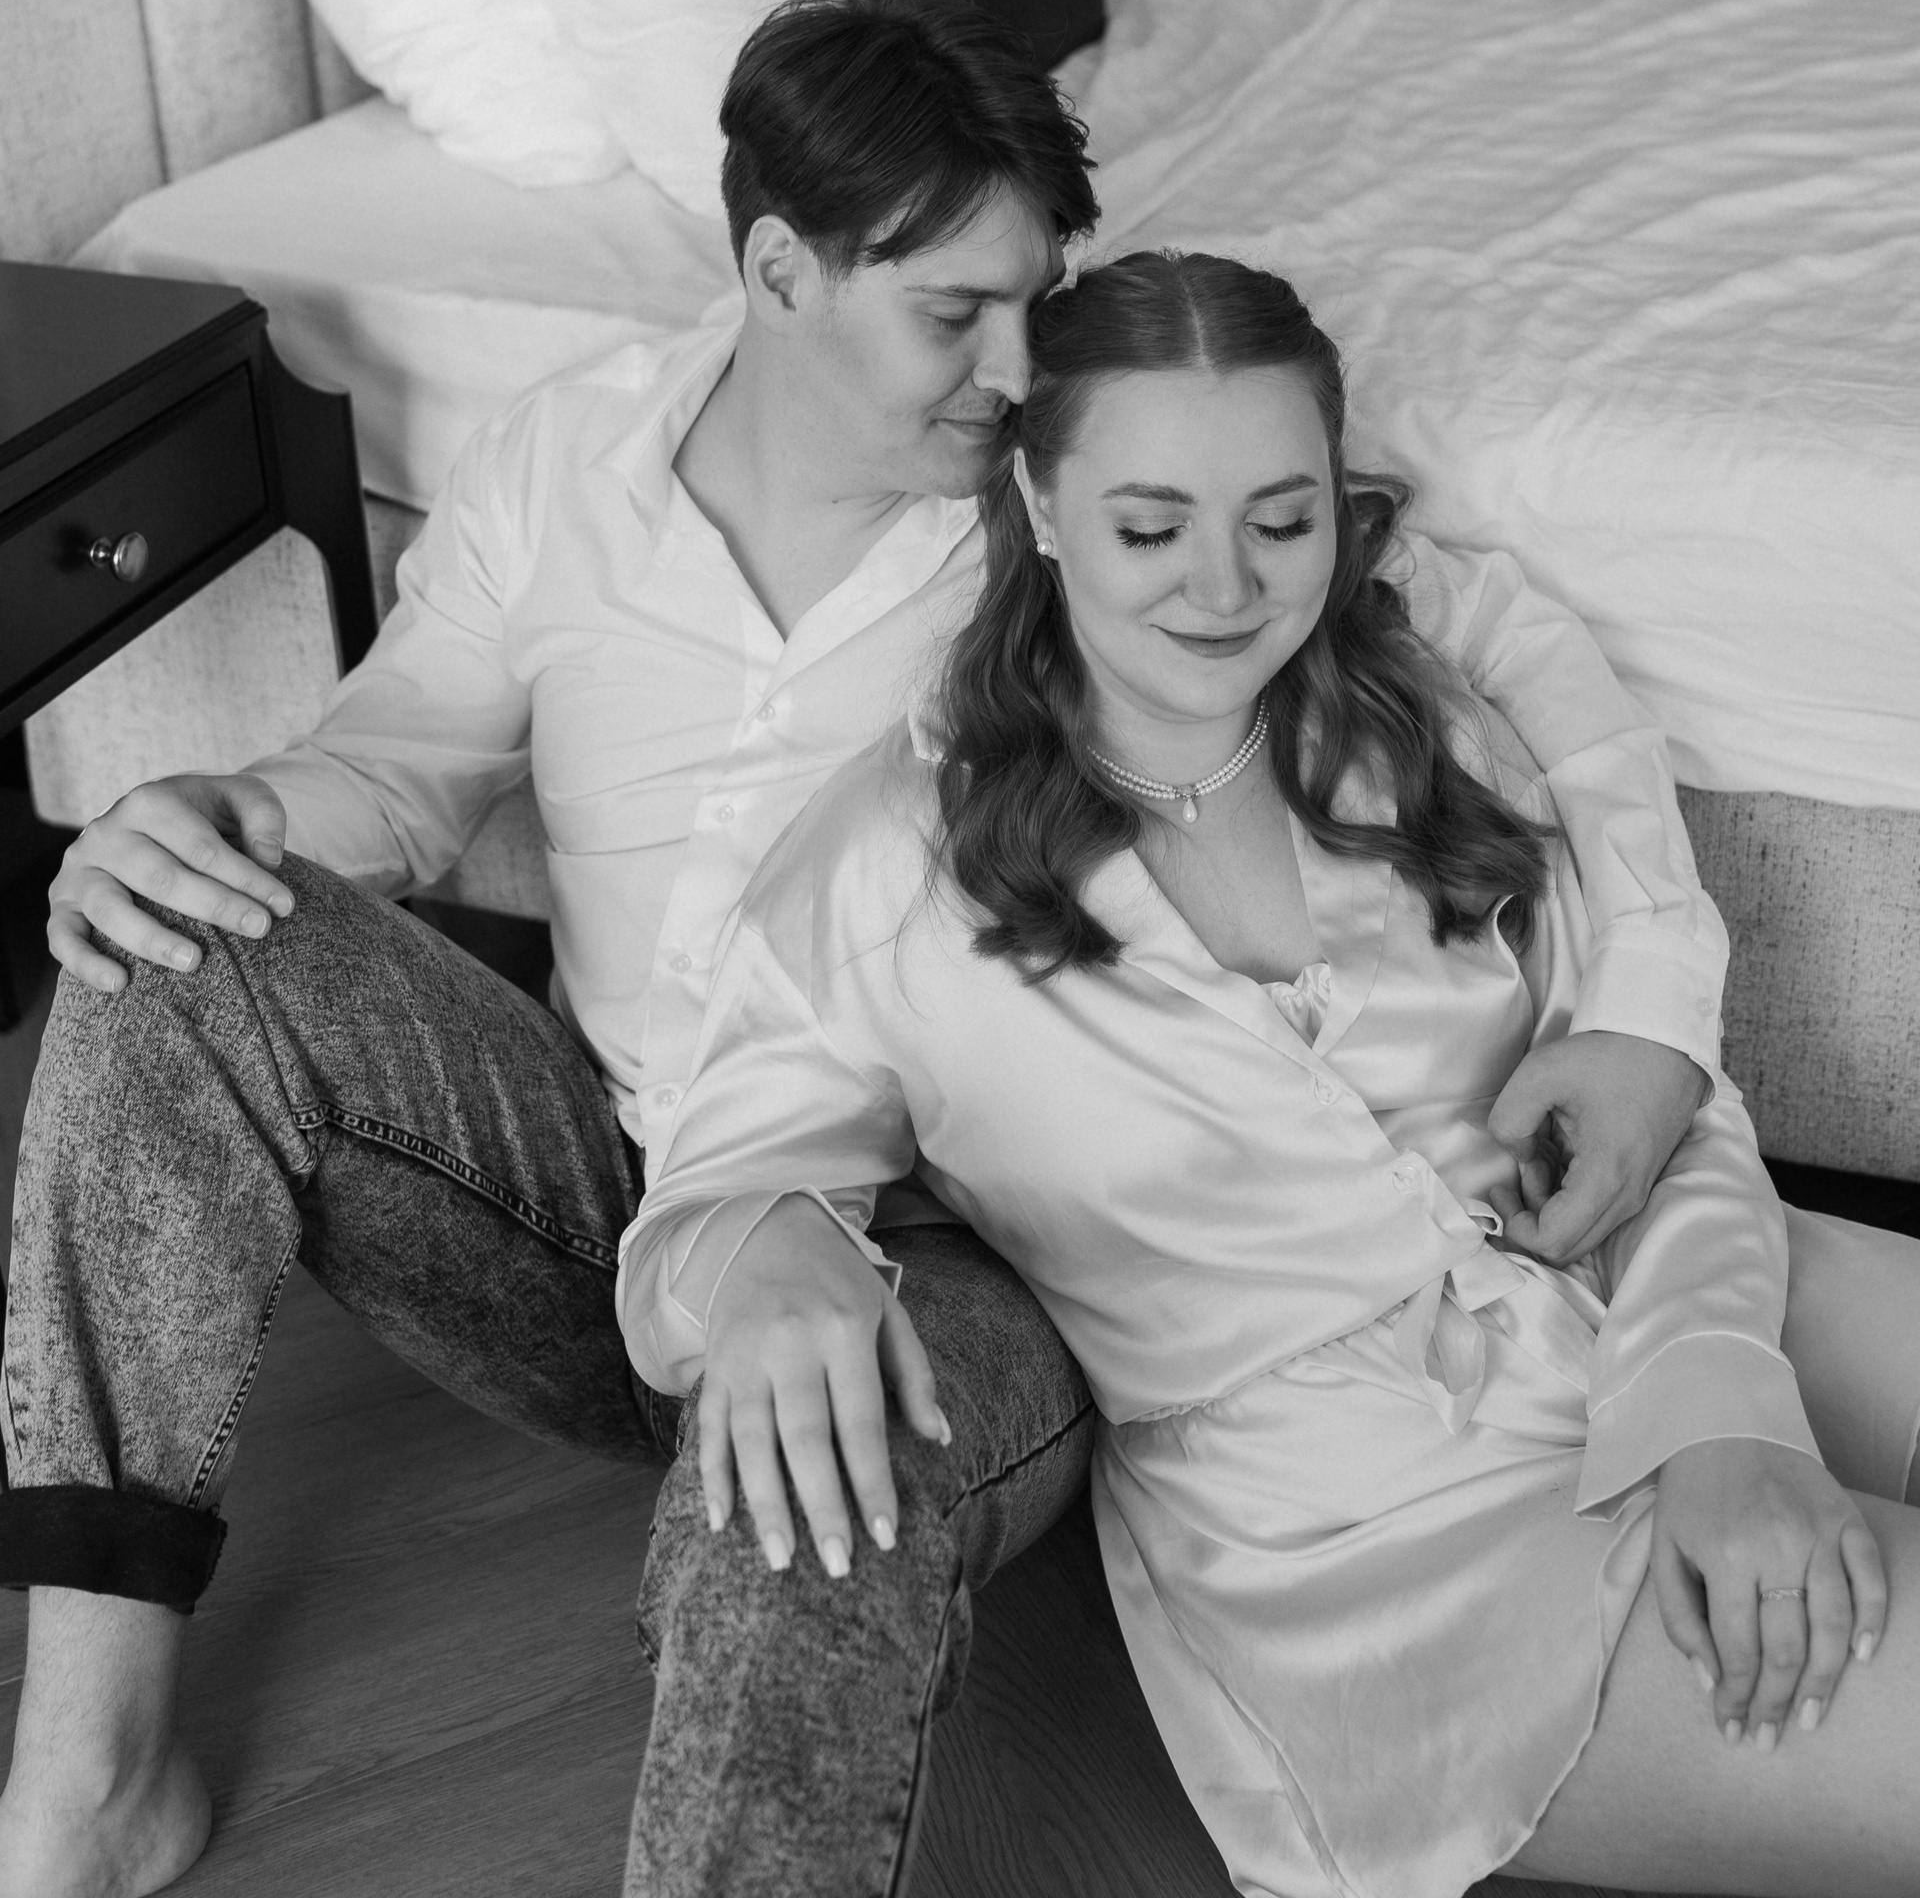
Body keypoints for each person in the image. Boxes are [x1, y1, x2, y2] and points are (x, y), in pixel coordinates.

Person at [2, 0, 1721, 1898]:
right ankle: (91, 1774)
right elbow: (396, 772)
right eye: (955, 311)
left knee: (800, 1490)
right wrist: (224, 814)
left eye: (1035, 297)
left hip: (958, 1247)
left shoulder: (1072, 511)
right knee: (165, 942)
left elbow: (1474, 617)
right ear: (778, 272)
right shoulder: (563, 463)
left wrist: (1650, 1003)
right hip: (610, 1181)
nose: (1017, 362)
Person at [622, 250, 1920, 1898]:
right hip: (1380, 1544)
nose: (1225, 588)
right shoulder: (881, 875)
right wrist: (767, 1253)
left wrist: (1723, 1412)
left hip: (1687, 1286)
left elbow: (1659, 1097)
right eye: (1151, 528)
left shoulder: (1419, 723)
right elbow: (688, 1231)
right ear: (1039, 503)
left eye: (1283, 521)